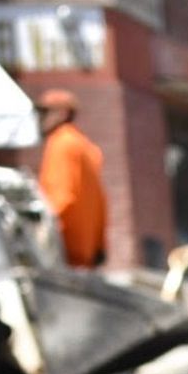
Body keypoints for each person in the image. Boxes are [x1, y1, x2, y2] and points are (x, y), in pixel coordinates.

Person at [36, 88, 107, 268]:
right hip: (85, 254)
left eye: (45, 112)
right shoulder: (86, 146)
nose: (40, 119)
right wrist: (100, 245)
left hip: (64, 251)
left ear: (63, 113)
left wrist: (40, 236)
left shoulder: (62, 143)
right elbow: (100, 201)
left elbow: (60, 198)